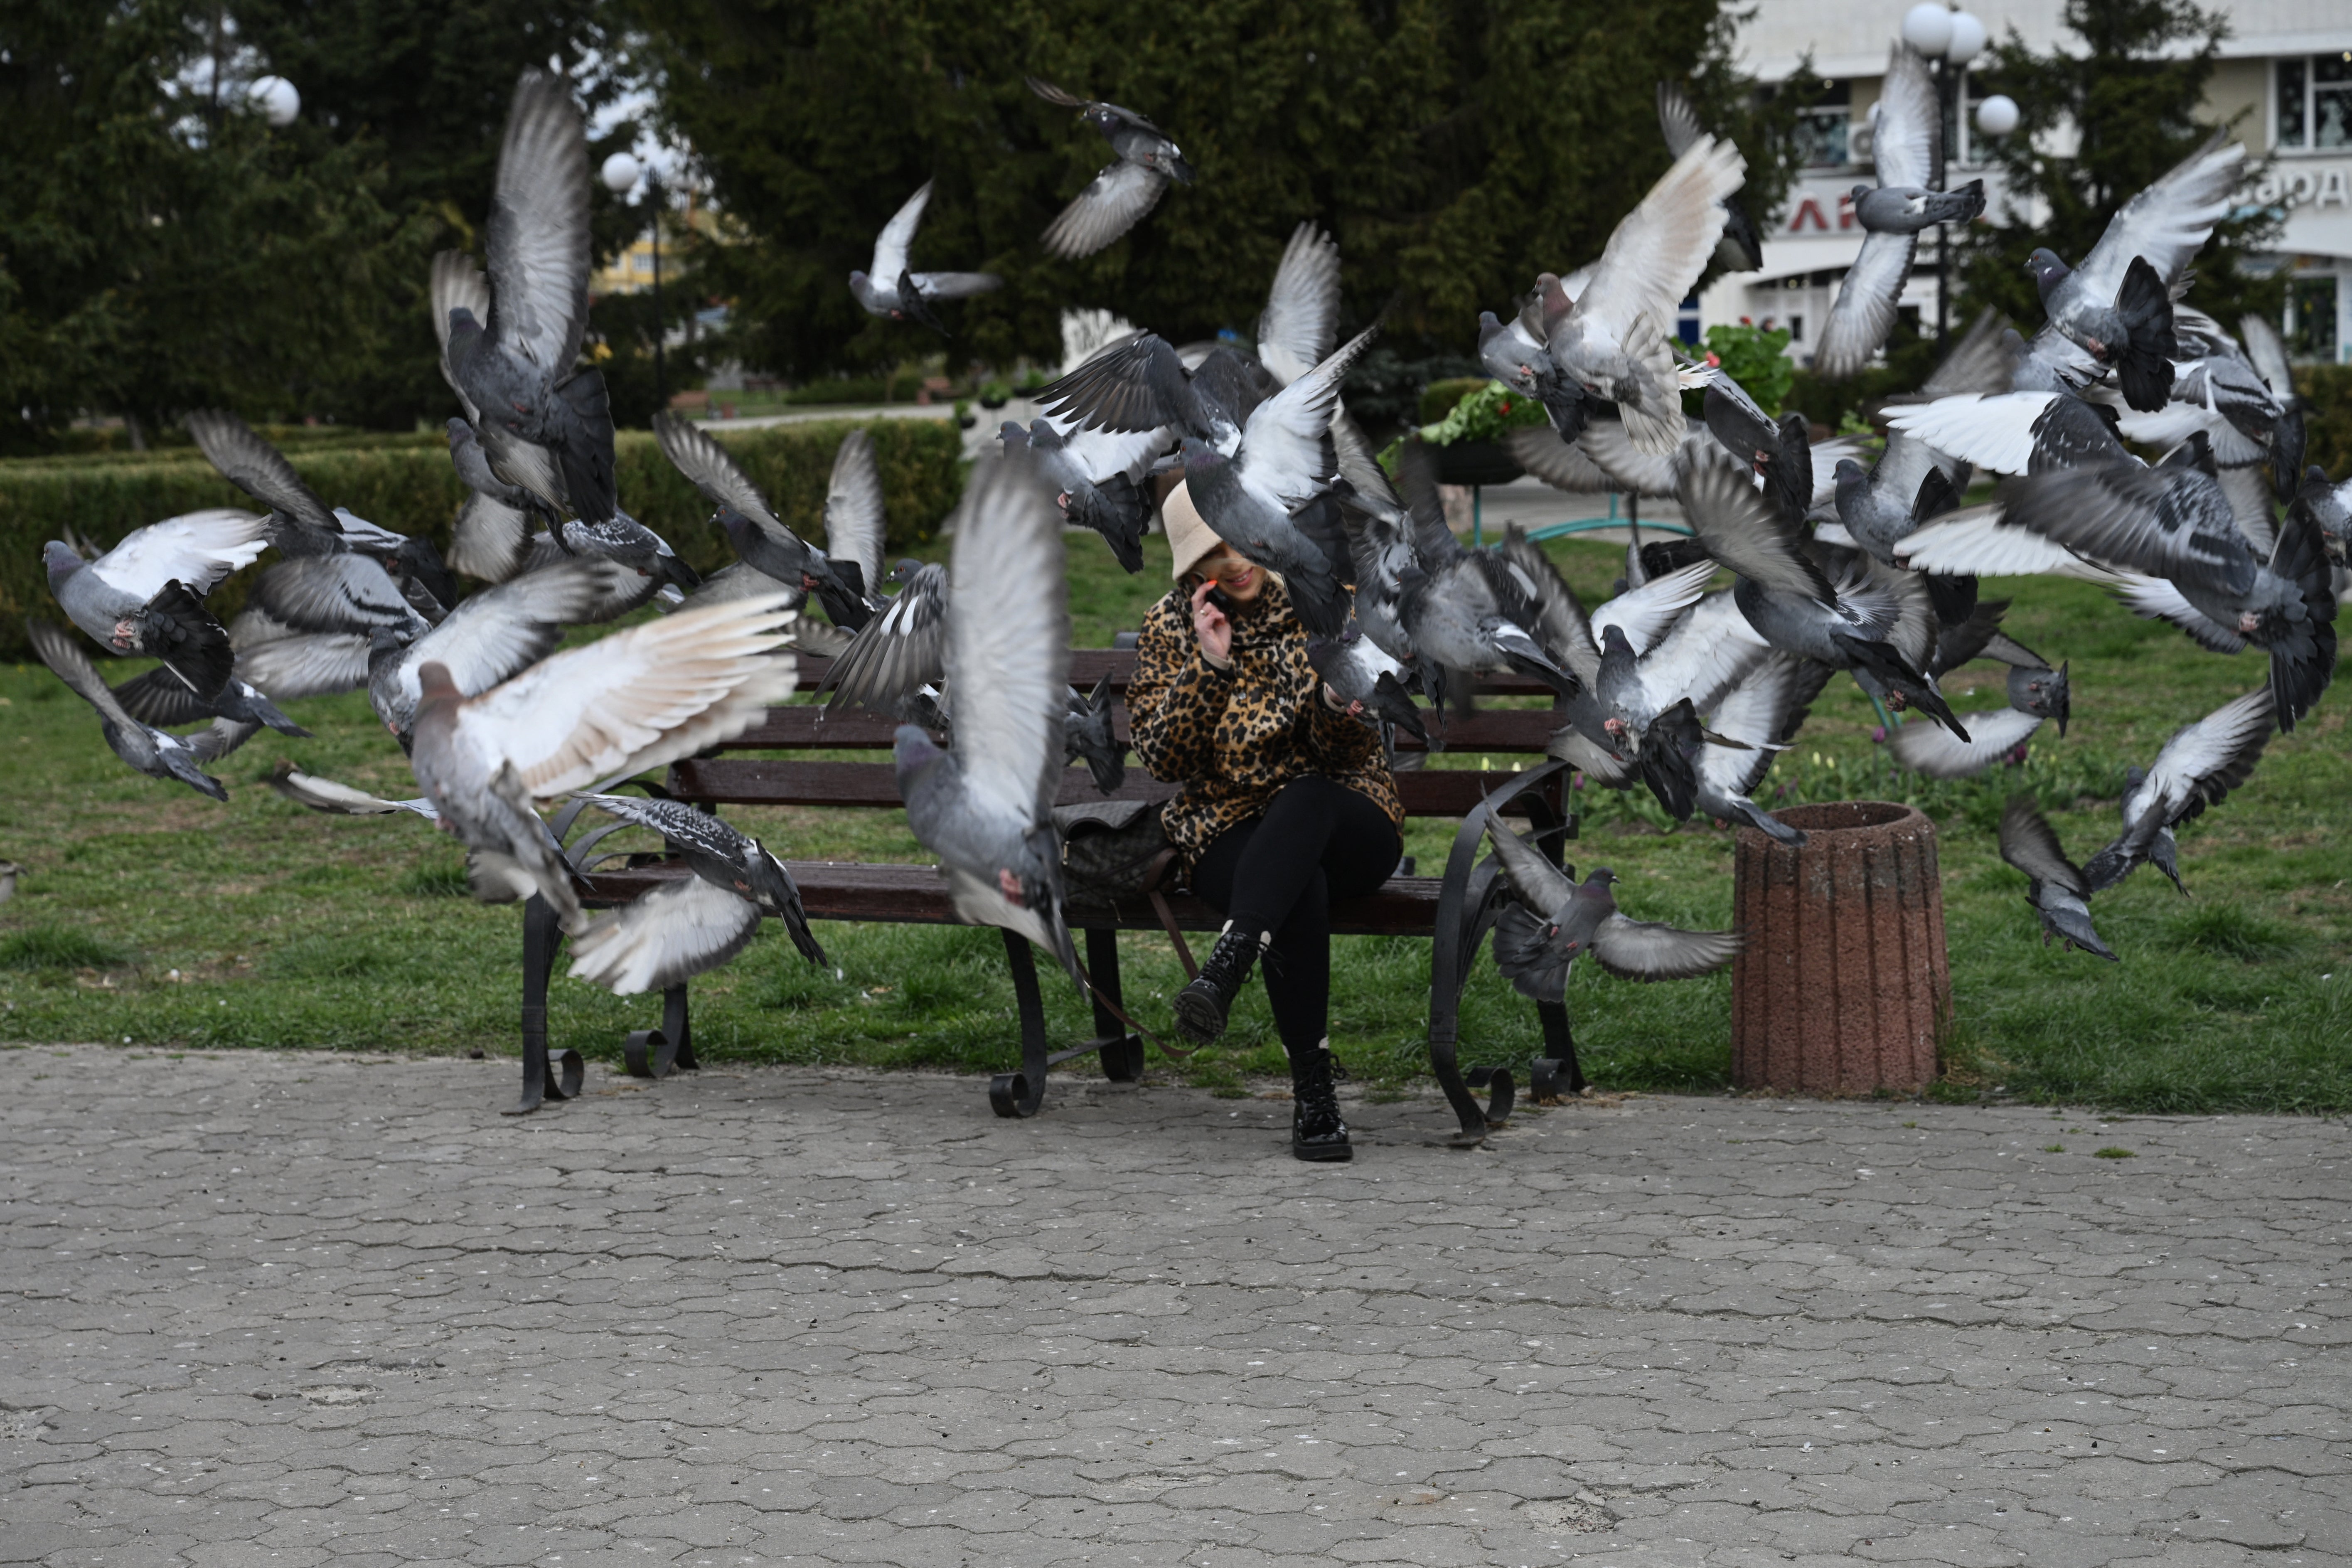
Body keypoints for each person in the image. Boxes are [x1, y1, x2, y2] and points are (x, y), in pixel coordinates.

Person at [1126, 481, 1403, 1162]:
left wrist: (1339, 704)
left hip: (1345, 811)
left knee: (1305, 797)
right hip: (1229, 825)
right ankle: (1315, 1097)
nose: (1234, 559)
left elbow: (1355, 752)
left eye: (1240, 538)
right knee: (1293, 885)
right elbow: (1163, 758)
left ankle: (1227, 963)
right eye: (1211, 551)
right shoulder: (1170, 627)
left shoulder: (1320, 602)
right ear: (1192, 570)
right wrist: (1209, 667)